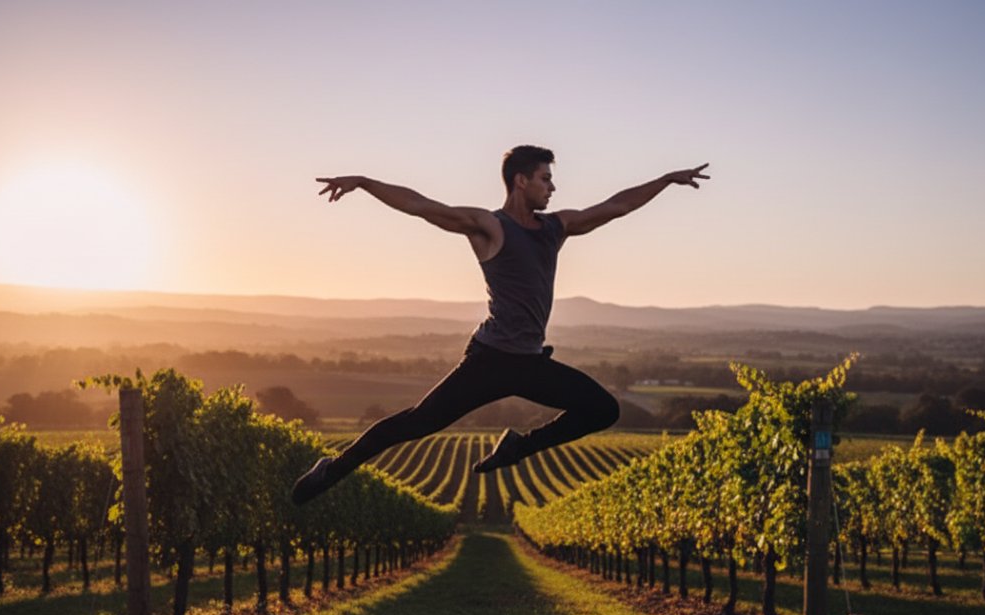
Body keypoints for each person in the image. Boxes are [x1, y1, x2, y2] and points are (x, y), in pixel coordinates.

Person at [292, 145, 708, 505]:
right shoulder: (490, 227)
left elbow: (616, 207)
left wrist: (667, 180)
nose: (553, 187)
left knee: (603, 409)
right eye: (546, 179)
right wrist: (364, 182)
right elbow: (424, 208)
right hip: (488, 361)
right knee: (416, 423)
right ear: (521, 180)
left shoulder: (556, 228)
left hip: (530, 363)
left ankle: (517, 447)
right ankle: (334, 468)